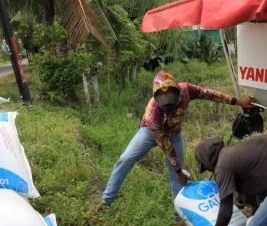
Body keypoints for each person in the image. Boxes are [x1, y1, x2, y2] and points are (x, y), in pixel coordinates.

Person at [97, 70, 253, 216]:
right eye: (164, 102)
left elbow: (209, 94)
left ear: (177, 90)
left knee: (177, 178)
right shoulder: (152, 112)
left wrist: (238, 102)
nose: (168, 105)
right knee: (126, 158)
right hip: (150, 133)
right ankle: (106, 201)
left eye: (171, 98)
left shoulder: (186, 90)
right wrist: (179, 171)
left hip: (174, 133)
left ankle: (179, 218)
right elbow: (165, 145)